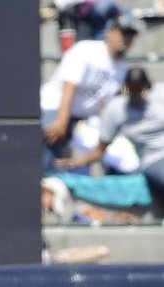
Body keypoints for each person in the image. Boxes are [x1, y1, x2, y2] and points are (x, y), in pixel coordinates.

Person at [58, 67, 164, 217]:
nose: (136, 95)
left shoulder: (161, 95)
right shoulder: (116, 109)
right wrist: (81, 161)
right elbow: (101, 150)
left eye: (139, 90)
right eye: (131, 90)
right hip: (153, 159)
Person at [41, 13, 139, 174]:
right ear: (110, 32)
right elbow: (70, 85)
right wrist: (62, 120)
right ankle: (47, 185)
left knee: (123, 154)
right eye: (124, 32)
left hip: (83, 119)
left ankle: (108, 193)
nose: (126, 39)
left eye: (131, 35)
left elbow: (105, 106)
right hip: (56, 107)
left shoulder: (122, 68)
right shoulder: (87, 50)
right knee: (52, 135)